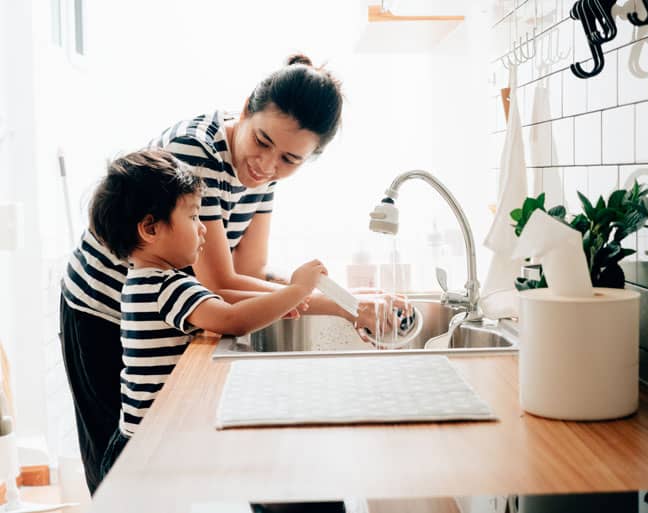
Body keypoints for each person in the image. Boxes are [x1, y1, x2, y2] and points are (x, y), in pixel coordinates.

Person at [60, 54, 396, 494]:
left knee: (148, 471)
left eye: (290, 159)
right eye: (261, 141)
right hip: (103, 310)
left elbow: (248, 271)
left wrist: (337, 298)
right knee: (117, 478)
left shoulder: (265, 174)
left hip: (167, 312)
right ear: (245, 109)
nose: (267, 166)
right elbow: (219, 286)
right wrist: (334, 305)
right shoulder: (194, 152)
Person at [89, 149, 326, 481]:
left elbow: (224, 314)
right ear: (150, 228)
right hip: (151, 450)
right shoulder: (167, 286)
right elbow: (231, 318)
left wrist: (276, 306)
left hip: (135, 440)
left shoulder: (140, 281)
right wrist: (297, 290)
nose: (203, 230)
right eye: (193, 217)